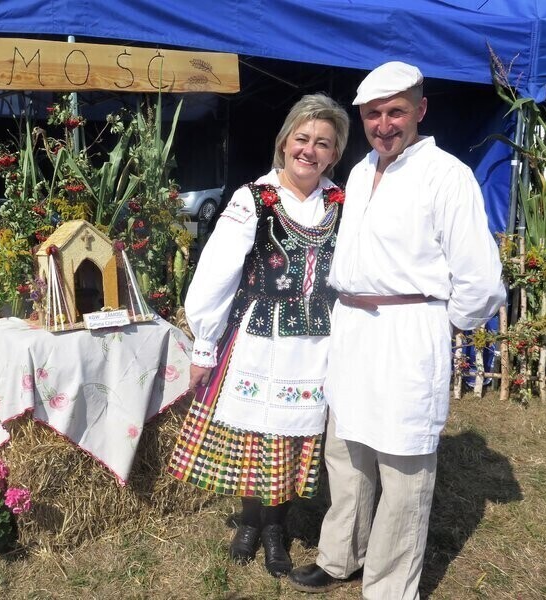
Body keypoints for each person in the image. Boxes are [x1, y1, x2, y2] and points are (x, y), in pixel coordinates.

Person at [287, 62, 506, 599]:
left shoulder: (446, 175)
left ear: (420, 111)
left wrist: (440, 326)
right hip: (354, 328)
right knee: (347, 450)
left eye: (395, 112)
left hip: (409, 329)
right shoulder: (360, 172)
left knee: (404, 465)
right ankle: (341, 556)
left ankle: (387, 587)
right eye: (373, 114)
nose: (384, 124)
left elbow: (479, 276)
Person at [167, 93, 349, 578]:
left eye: (323, 143)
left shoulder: (344, 204)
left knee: (294, 437)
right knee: (254, 432)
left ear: (335, 153)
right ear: (285, 142)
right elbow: (216, 272)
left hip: (316, 342)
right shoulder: (255, 199)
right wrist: (204, 343)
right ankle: (251, 522)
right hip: (259, 338)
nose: (309, 150)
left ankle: (276, 526)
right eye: (302, 138)